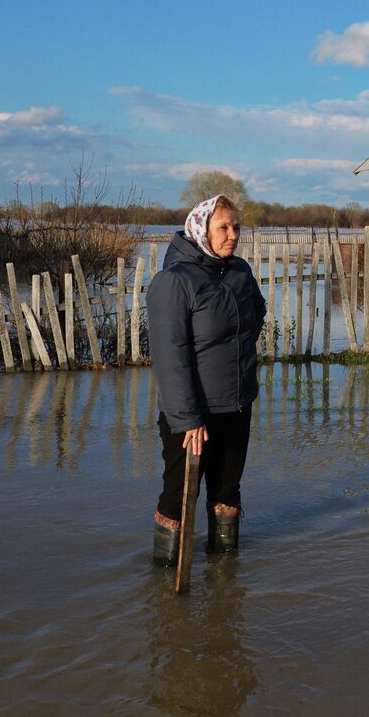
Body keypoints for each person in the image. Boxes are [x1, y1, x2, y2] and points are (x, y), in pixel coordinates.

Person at [146, 195, 265, 564]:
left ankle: (224, 577)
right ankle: (167, 581)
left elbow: (255, 316)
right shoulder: (174, 281)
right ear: (201, 229)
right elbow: (170, 358)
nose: (232, 235)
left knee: (228, 492)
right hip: (193, 418)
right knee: (180, 497)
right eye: (224, 228)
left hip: (236, 406)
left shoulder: (241, 273)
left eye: (236, 227)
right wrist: (187, 419)